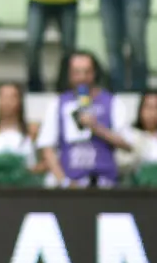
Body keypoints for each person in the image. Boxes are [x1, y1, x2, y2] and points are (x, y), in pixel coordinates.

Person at [36, 51, 132, 189]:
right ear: (69, 75)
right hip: (71, 185)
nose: (82, 77)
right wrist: (64, 182)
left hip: (106, 184)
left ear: (94, 73)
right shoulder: (57, 104)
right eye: (77, 72)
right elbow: (47, 147)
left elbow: (127, 144)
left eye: (87, 72)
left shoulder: (113, 102)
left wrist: (96, 128)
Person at [0, 83, 41, 188]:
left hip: (25, 189)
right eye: (3, 97)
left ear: (20, 100)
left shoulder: (32, 131)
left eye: (12, 97)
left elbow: (44, 163)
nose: (7, 102)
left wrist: (27, 172)